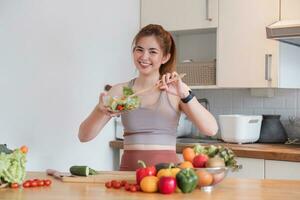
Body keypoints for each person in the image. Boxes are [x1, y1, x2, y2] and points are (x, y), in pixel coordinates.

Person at [78, 24, 218, 171]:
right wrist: (100, 111)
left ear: (165, 57)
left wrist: (185, 95)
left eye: (152, 52)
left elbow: (211, 129)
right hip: (128, 177)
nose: (144, 57)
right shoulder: (121, 91)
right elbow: (83, 136)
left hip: (166, 178)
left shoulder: (176, 89)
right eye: (139, 50)